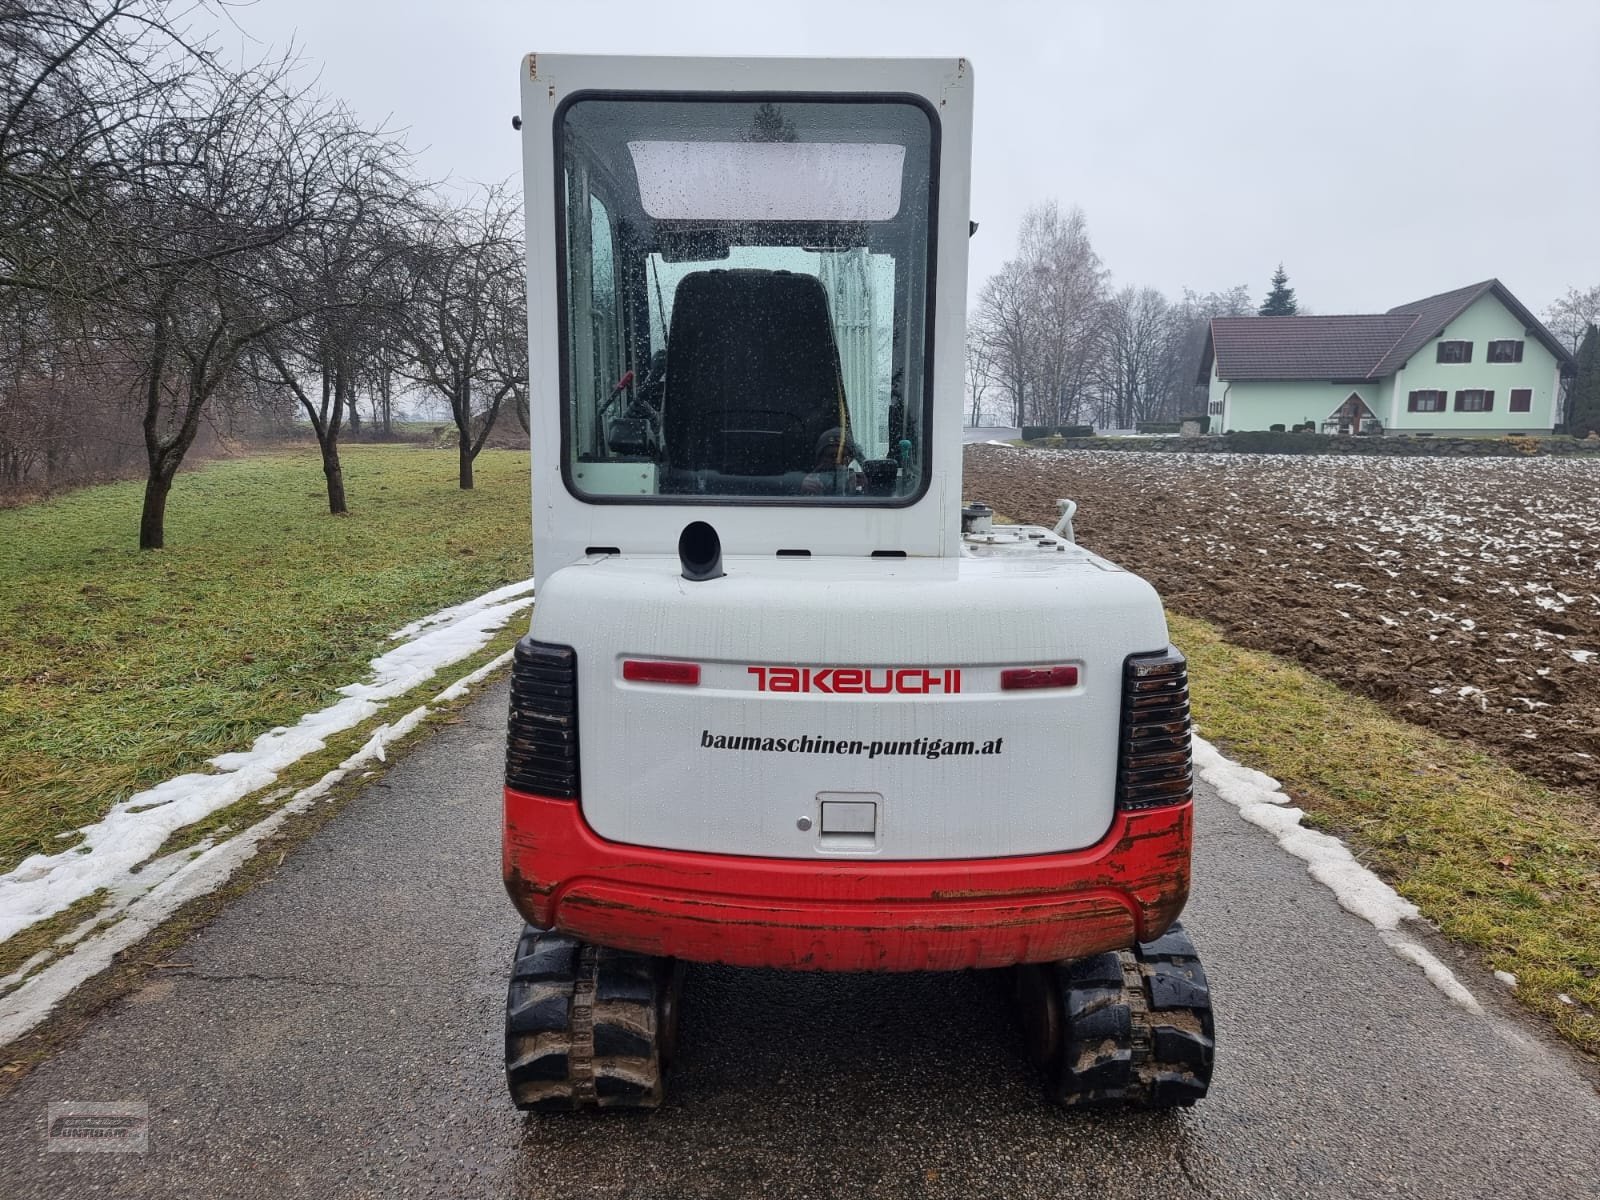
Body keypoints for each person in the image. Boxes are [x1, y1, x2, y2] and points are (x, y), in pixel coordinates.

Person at [800, 427, 863, 496]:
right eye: (832, 456)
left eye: (843, 456)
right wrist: (803, 490)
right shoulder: (810, 481)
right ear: (820, 458)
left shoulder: (855, 481)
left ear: (850, 460)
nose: (838, 462)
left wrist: (866, 490)